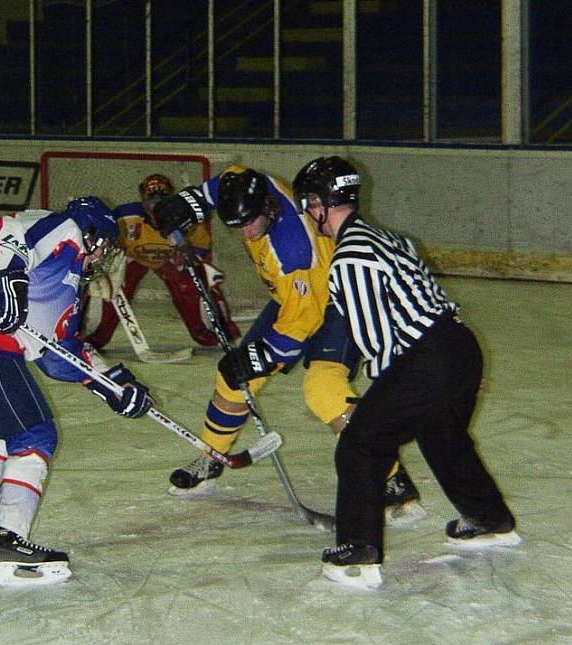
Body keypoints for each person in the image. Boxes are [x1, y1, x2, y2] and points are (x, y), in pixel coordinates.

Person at [292, 156, 520, 589]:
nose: (308, 214)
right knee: (443, 437)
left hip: (425, 360)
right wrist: (459, 371)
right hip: (458, 346)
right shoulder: (387, 238)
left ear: (322, 203)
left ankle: (358, 553)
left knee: (360, 443)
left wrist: (383, 398)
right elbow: (431, 300)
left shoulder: (351, 255)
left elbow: (377, 340)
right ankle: (492, 521)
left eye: (309, 204)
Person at [153, 165, 421, 517]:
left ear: (268, 209)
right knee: (232, 381)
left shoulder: (293, 251)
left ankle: (392, 479)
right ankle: (212, 457)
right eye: (238, 226)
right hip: (292, 301)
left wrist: (257, 357)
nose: (248, 234)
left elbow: (300, 326)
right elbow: (220, 185)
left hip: (334, 303)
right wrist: (189, 202)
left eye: (252, 223)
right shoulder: (250, 186)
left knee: (323, 389)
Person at [0, 197, 153, 588]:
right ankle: (9, 542)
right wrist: (9, 277)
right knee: (36, 433)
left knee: (8, 419)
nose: (102, 257)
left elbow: (60, 355)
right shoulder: (66, 231)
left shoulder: (58, 282)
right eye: (105, 246)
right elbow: (2, 229)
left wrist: (116, 386)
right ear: (94, 234)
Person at [83, 173, 239, 350]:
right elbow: (103, 239)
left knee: (193, 280)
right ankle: (93, 336)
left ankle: (215, 331)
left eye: (163, 200)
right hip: (133, 257)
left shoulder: (186, 216)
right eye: (151, 201)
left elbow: (202, 249)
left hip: (170, 260)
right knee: (108, 285)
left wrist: (188, 252)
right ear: (143, 201)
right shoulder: (126, 217)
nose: (156, 206)